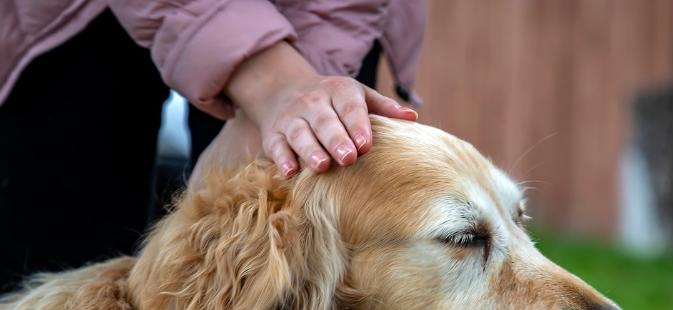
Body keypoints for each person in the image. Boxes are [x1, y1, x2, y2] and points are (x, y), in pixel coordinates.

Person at [0, 0, 426, 292]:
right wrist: (270, 81)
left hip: (327, 20)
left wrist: (302, 86)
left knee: (306, 306)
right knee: (50, 289)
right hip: (70, 22)